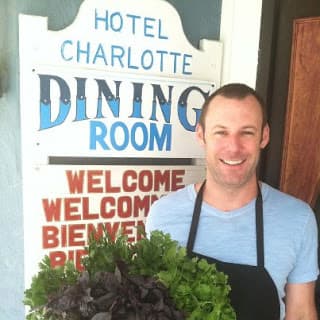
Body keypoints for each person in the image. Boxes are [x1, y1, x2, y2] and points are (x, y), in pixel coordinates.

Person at [145, 83, 319, 320]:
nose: (234, 147)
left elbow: (300, 313)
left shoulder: (298, 219)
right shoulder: (163, 214)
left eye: (246, 132)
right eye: (221, 132)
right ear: (201, 135)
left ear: (264, 136)